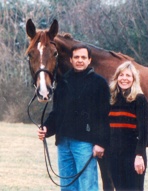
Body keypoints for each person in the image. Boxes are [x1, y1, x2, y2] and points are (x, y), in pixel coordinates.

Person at [38, 44, 110, 191]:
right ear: (71, 60)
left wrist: (100, 143)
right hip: (64, 143)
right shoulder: (63, 83)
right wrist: (46, 128)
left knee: (87, 185)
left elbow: (104, 116)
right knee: (67, 186)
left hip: (86, 144)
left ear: (89, 60)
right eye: (76, 57)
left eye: (83, 57)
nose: (79, 60)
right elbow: (57, 113)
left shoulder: (99, 83)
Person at [108, 61, 148, 191]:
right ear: (116, 78)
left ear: (133, 79)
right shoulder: (112, 100)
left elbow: (144, 131)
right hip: (114, 155)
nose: (124, 78)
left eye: (128, 76)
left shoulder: (140, 99)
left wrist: (139, 155)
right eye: (121, 75)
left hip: (133, 155)